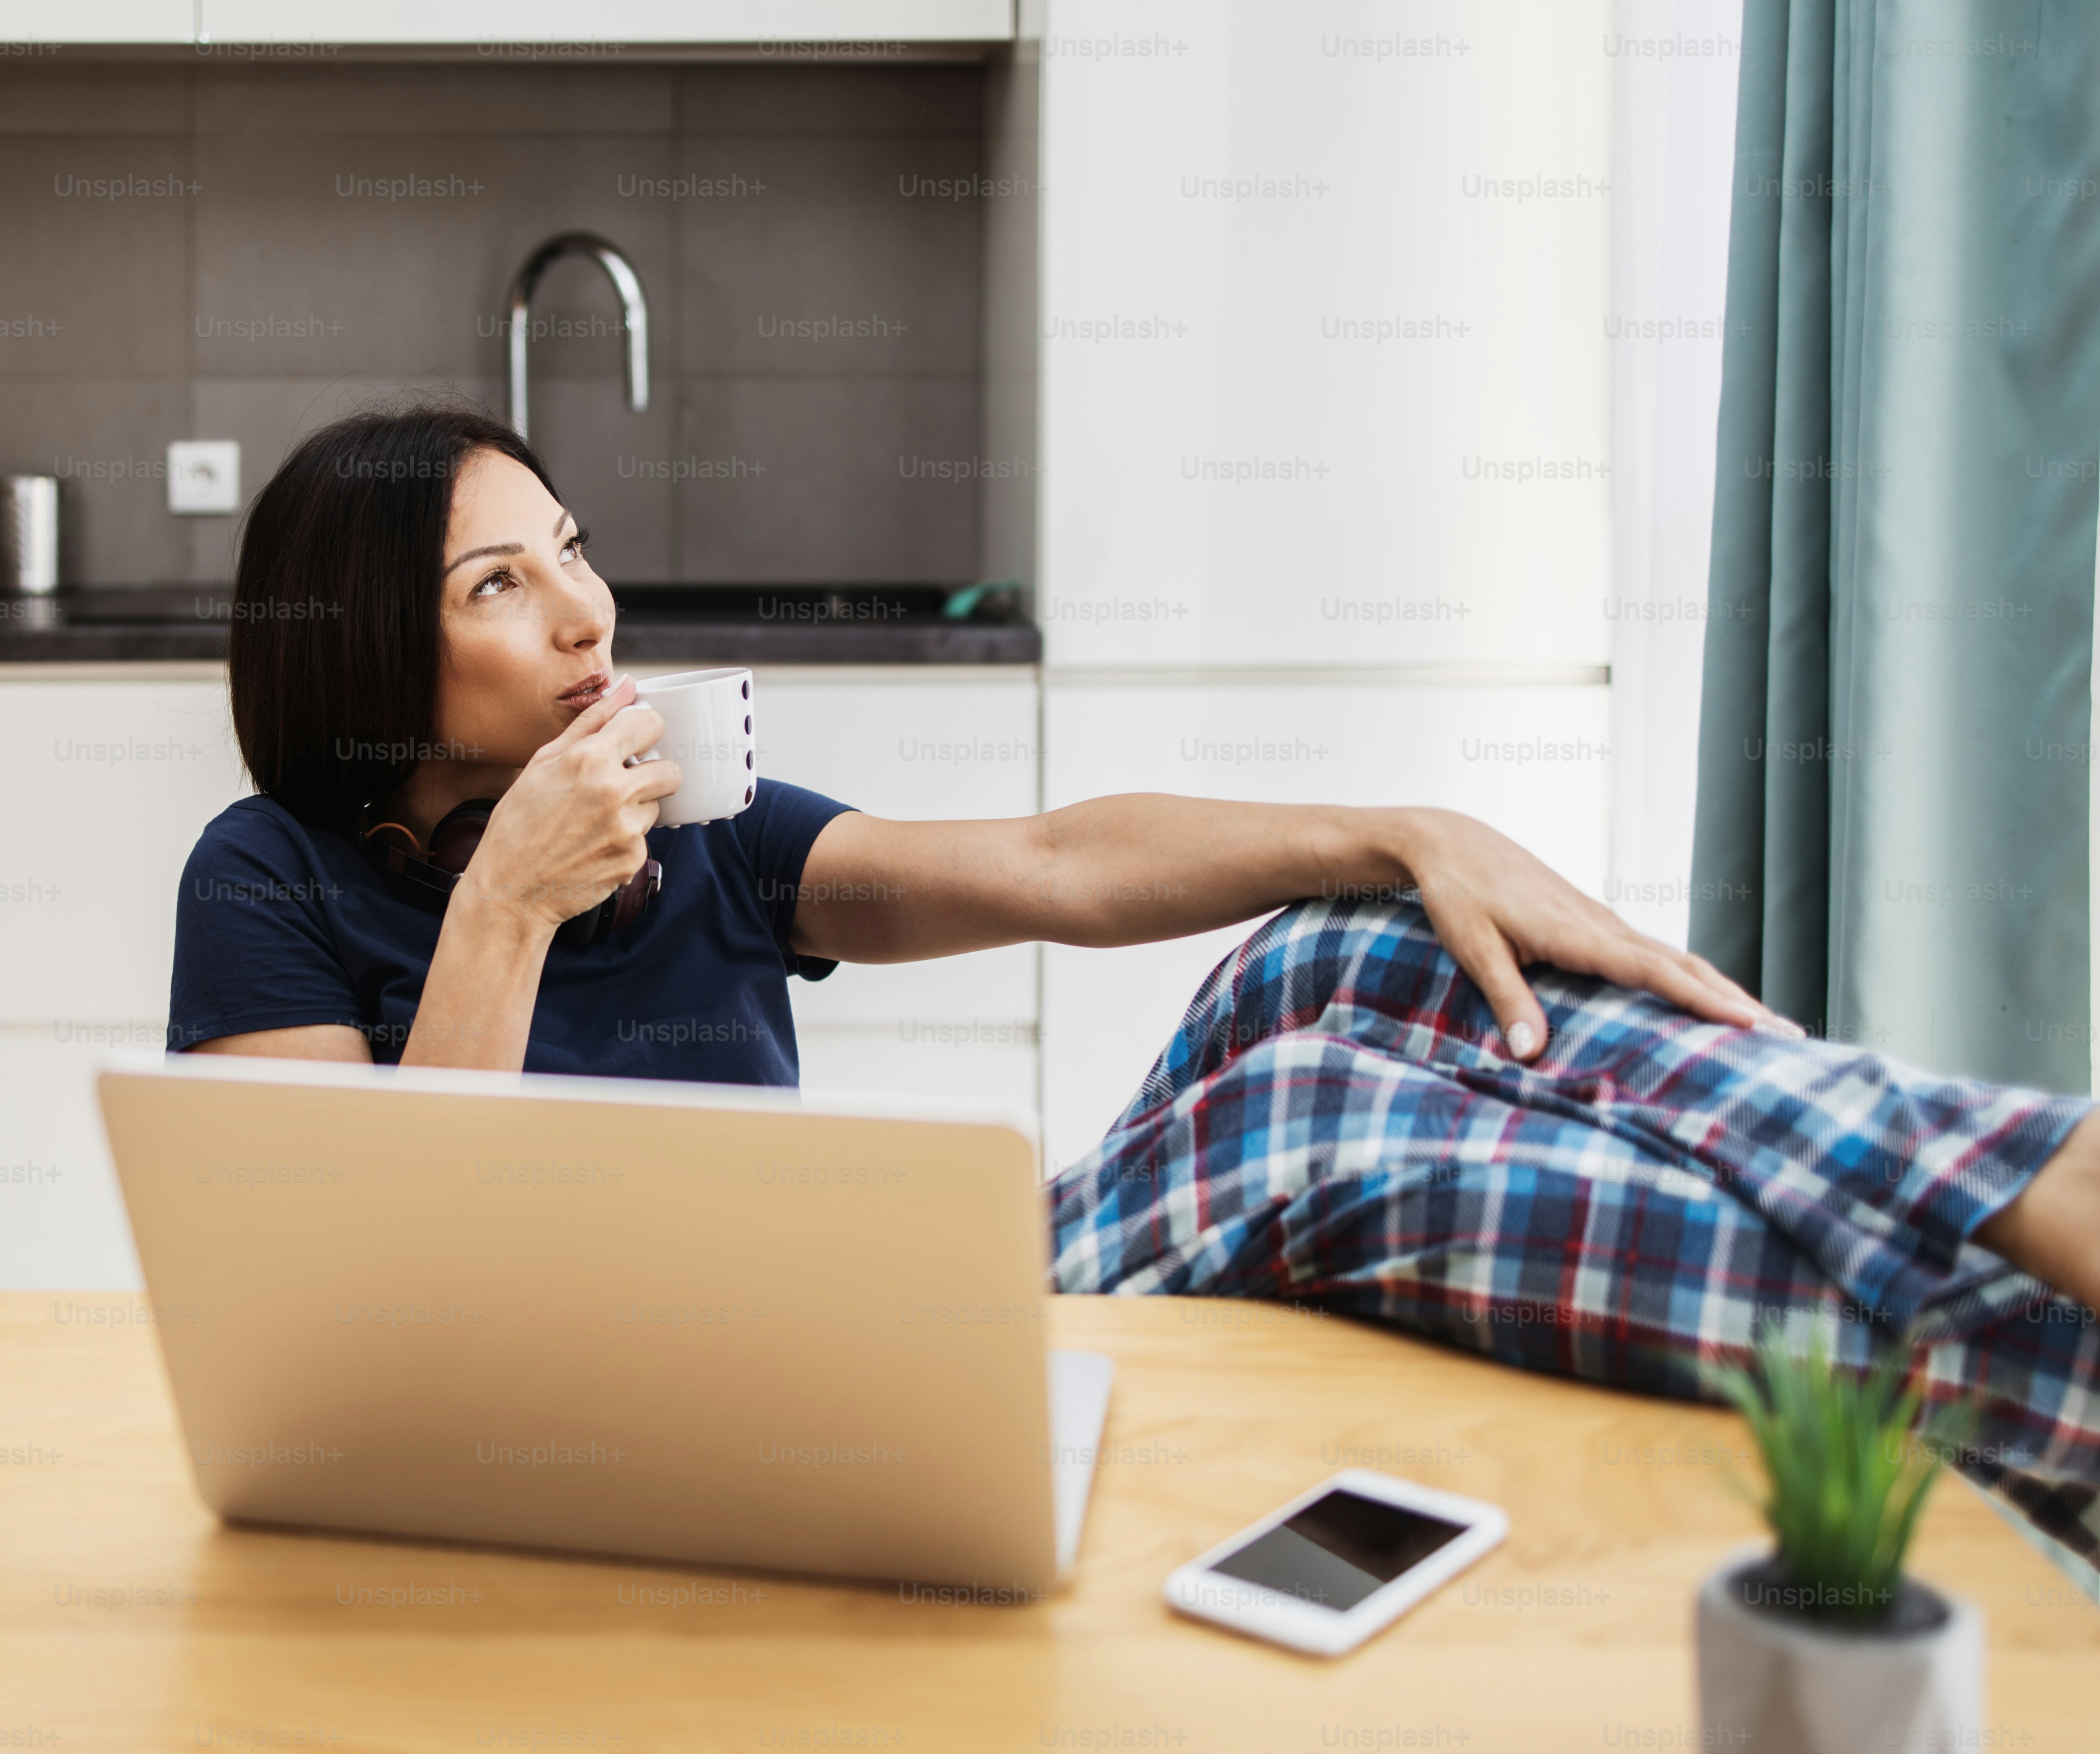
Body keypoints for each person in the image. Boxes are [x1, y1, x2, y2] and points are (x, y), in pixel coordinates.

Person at [171, 404, 2100, 1566]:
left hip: (891, 1326)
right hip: (691, 1421)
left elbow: (1055, 864)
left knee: (1352, 942)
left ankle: (2030, 1227)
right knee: (1313, 1116)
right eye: (497, 584)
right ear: (364, 652)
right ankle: (2032, 1342)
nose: (587, 609)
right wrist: (507, 901)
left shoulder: (704, 836)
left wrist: (1398, 825)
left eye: (570, 550)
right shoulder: (270, 879)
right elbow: (358, 1327)